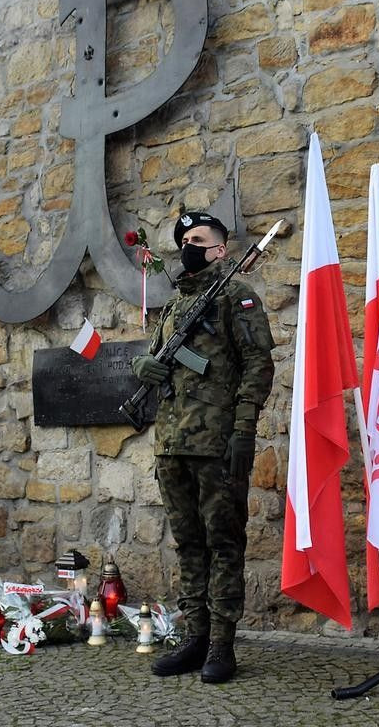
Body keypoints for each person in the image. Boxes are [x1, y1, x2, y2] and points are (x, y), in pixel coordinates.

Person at [131, 212, 275, 684]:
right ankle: (194, 636)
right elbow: (161, 359)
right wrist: (144, 366)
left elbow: (257, 366)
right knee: (190, 545)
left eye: (198, 239)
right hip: (172, 444)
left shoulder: (237, 296)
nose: (188, 245)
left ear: (220, 248)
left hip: (216, 443)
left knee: (224, 543)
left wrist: (244, 429)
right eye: (184, 239)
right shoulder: (175, 307)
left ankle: (221, 644)